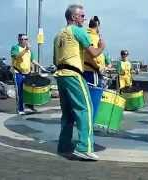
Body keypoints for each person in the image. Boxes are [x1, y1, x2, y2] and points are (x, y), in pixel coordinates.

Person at [53, 4, 105, 160]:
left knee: (67, 113)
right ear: (73, 17)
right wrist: (102, 46)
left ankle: (64, 145)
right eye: (82, 16)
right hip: (74, 75)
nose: (84, 18)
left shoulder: (58, 35)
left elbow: (55, 60)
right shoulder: (78, 31)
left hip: (61, 75)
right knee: (85, 109)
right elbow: (94, 53)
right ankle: (84, 147)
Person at [10, 33, 37, 114]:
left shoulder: (29, 50)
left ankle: (30, 106)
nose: (24, 41)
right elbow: (16, 56)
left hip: (27, 73)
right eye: (21, 39)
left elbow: (32, 60)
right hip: (18, 72)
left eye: (25, 39)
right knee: (20, 91)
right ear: (19, 40)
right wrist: (25, 50)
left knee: (29, 90)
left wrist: (40, 66)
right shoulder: (15, 47)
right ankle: (20, 109)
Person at [83, 16, 108, 87]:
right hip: (92, 72)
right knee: (94, 94)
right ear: (98, 25)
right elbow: (93, 55)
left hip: (86, 70)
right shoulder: (93, 37)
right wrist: (100, 68)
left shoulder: (86, 35)